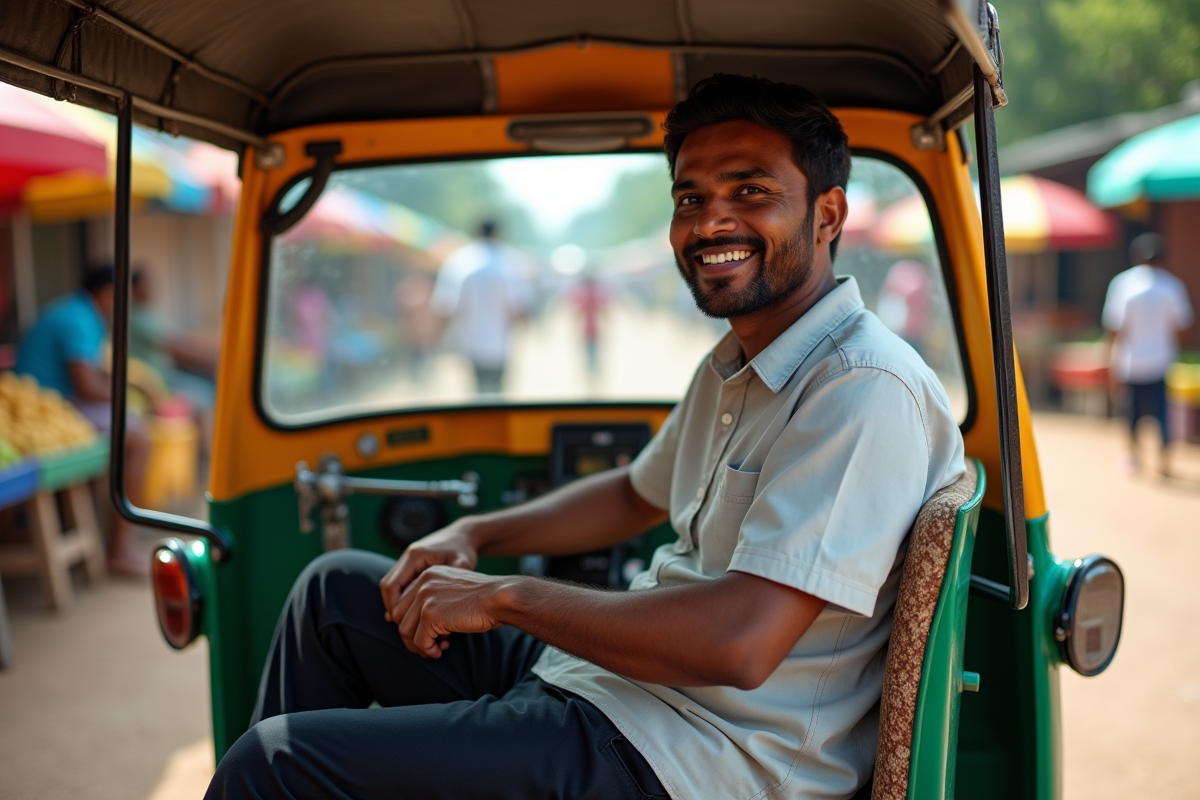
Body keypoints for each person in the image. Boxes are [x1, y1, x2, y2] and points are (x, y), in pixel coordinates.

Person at [206, 75, 965, 800]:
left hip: (701, 762)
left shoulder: (861, 388)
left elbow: (739, 642)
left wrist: (505, 596)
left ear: (827, 215)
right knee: (335, 598)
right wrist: (475, 531)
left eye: (751, 191)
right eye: (690, 198)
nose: (710, 223)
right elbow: (633, 492)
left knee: (272, 766)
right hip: (621, 694)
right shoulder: (739, 363)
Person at [15, 266, 151, 576]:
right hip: (47, 409)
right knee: (137, 438)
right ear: (106, 293)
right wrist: (131, 399)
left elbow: (93, 374)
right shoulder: (78, 318)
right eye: (122, 297)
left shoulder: (80, 313)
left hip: (55, 403)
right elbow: (87, 386)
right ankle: (120, 551)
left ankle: (116, 539)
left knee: (132, 425)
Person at [1103, 232, 1194, 476]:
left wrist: (1110, 358)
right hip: (1162, 360)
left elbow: (1114, 327)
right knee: (1162, 412)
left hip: (1130, 360)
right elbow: (1183, 327)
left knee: (1131, 412)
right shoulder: (1172, 285)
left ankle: (1133, 457)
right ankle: (1164, 461)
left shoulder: (1123, 283)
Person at [431, 220, 533, 395]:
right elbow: (520, 309)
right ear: (498, 233)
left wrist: (437, 341)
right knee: (496, 396)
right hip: (500, 346)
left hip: (470, 345)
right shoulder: (511, 261)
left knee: (477, 397)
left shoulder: (458, 261)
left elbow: (444, 308)